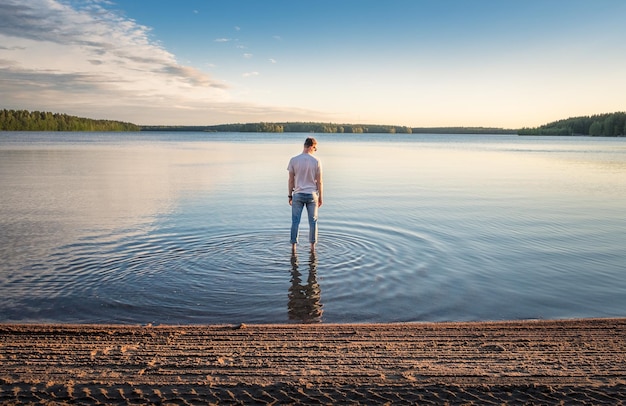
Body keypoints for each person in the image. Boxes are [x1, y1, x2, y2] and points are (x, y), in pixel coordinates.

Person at [288, 137, 323, 253]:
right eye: (315, 148)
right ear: (311, 146)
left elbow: (291, 180)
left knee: (295, 221)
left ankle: (293, 247)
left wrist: (290, 195)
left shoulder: (294, 160)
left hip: (297, 194)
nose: (315, 150)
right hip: (312, 194)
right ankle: (312, 248)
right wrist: (321, 198)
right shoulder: (316, 161)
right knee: (313, 221)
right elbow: (320, 181)